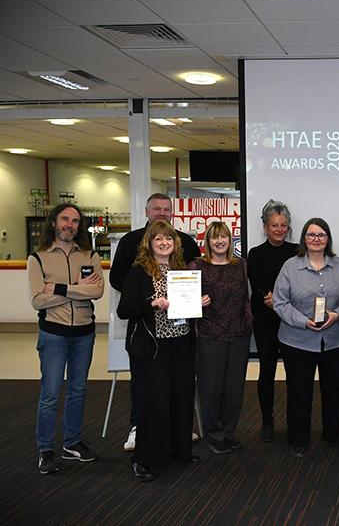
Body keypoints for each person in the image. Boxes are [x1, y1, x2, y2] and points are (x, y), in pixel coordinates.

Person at [109, 192, 200, 452]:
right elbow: (120, 290)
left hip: (180, 339)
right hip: (150, 339)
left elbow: (196, 278)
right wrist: (145, 298)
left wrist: (196, 299)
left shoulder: (184, 252)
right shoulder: (133, 251)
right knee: (149, 393)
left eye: (166, 209)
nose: (162, 213)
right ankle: (141, 436)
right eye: (156, 208)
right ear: (147, 212)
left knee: (179, 391)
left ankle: (178, 440)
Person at [28, 203, 104, 474]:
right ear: (53, 222)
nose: (69, 225)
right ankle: (45, 449)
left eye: (74, 221)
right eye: (65, 219)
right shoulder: (38, 258)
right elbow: (38, 300)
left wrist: (58, 288)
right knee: (50, 393)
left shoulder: (90, 255)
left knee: (78, 390)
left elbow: (96, 292)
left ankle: (72, 443)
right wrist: (76, 289)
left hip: (84, 333)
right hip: (53, 334)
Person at [273, 217, 339, 458]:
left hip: (337, 340)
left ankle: (334, 434)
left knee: (334, 389)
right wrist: (303, 321)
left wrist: (337, 315)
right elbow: (280, 302)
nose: (316, 239)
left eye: (321, 235)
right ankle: (298, 438)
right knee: (299, 390)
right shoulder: (290, 267)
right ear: (304, 239)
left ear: (328, 239)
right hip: (297, 340)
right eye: (311, 235)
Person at [189, 221, 252, 455]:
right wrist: (196, 302)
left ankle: (228, 433)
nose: (219, 241)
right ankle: (214, 435)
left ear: (230, 239)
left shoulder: (240, 265)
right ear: (208, 241)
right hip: (209, 335)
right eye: (214, 237)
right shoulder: (197, 266)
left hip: (239, 335)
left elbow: (246, 297)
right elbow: (183, 299)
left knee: (234, 389)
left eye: (223, 236)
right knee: (211, 388)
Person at [247, 200, 298, 442]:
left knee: (295, 373)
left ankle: (294, 423)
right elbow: (257, 285)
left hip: (292, 320)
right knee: (266, 371)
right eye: (274, 225)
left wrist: (282, 303)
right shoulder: (256, 253)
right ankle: (267, 422)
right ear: (265, 227)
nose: (279, 229)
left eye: (283, 225)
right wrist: (276, 301)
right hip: (265, 319)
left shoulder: (297, 251)